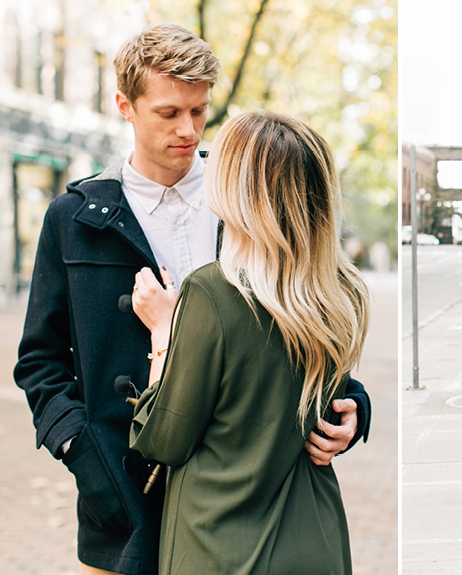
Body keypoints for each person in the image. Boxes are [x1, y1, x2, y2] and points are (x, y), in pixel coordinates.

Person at [14, 23, 370, 575]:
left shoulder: (251, 198)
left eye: (200, 112)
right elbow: (39, 360)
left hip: (240, 504)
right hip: (120, 497)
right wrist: (82, 456)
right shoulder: (74, 219)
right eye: (168, 112)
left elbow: (306, 311)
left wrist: (350, 404)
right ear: (124, 106)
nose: (188, 129)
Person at [128, 109, 369, 575]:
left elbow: (163, 440)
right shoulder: (342, 294)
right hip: (315, 535)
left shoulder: (212, 293)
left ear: (238, 188)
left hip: (221, 545)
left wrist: (162, 332)